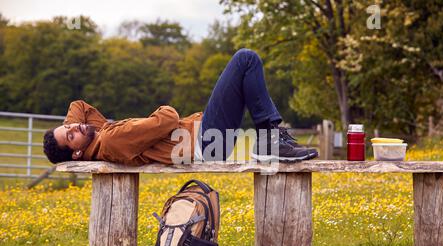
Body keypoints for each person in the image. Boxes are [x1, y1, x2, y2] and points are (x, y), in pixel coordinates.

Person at [43, 48, 318, 165]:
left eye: (69, 125)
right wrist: (162, 110)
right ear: (77, 153)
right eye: (70, 134)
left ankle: (271, 138)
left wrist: (70, 129)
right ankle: (270, 140)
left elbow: (78, 106)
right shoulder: (112, 138)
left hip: (207, 143)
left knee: (245, 68)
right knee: (245, 60)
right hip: (206, 143)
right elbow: (168, 119)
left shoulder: (99, 137)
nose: (76, 125)